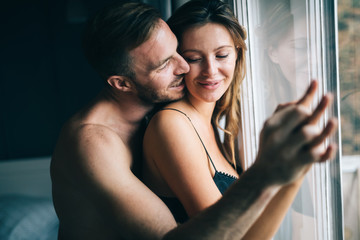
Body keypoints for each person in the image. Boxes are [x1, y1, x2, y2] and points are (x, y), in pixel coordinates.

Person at [50, 1, 337, 239]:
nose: (185, 66)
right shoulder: (93, 142)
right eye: (166, 63)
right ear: (122, 84)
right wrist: (270, 172)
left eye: (177, 50)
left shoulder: (175, 111)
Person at [142, 0, 332, 239]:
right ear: (178, 61)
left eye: (221, 55)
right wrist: (289, 177)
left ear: (237, 54)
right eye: (194, 58)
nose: (211, 70)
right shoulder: (171, 125)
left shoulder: (219, 121)